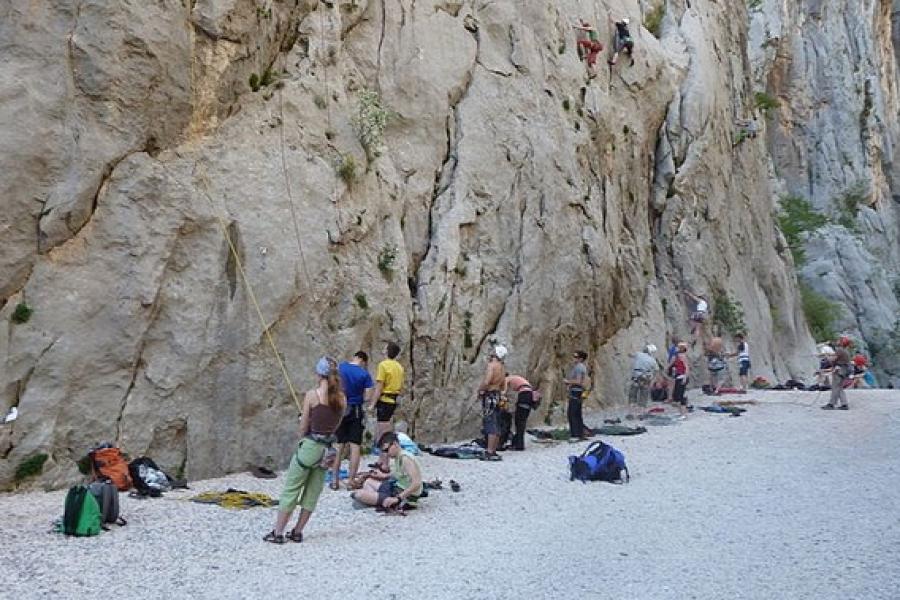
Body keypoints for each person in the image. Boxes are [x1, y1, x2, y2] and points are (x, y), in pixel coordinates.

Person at [264, 356, 345, 544]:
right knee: (313, 492)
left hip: (309, 448)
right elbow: (336, 426)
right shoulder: (342, 399)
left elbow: (303, 428)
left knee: (292, 489)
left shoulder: (312, 395)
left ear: (319, 374)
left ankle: (278, 533)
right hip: (327, 451)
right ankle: (298, 531)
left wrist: (303, 425)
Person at [332, 351, 374, 490]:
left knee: (339, 445)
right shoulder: (364, 375)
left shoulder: (341, 367)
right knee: (355, 446)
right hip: (355, 410)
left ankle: (334, 481)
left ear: (354, 357)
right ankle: (351, 480)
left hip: (341, 409)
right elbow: (368, 396)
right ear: (362, 360)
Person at [351, 432, 424, 511]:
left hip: (404, 496)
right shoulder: (399, 457)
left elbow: (417, 483)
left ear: (395, 444)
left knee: (358, 494)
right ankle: (377, 500)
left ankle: (379, 500)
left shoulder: (405, 458)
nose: (386, 454)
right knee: (368, 482)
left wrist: (398, 498)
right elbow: (401, 475)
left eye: (386, 450)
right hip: (396, 488)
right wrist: (383, 475)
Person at [372, 341, 405, 462]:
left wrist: (372, 404)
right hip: (393, 400)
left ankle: (383, 462)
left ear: (387, 351)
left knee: (383, 433)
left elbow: (379, 386)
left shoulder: (383, 365)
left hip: (384, 400)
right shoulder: (399, 367)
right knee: (387, 430)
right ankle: (384, 460)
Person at [477, 345, 507, 461]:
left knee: (490, 421)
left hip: (490, 395)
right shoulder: (502, 367)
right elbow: (504, 384)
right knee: (496, 421)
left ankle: (489, 451)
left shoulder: (492, 366)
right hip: (498, 395)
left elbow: (487, 380)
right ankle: (494, 450)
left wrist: (480, 390)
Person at [505, 373, 537, 451]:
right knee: (522, 421)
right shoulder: (517, 379)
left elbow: (503, 391)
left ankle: (518, 445)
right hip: (530, 396)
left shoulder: (507, 379)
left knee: (519, 421)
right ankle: (518, 443)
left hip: (524, 396)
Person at [564, 351, 589, 439]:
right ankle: (580, 433)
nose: (573, 358)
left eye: (575, 356)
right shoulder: (581, 367)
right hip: (579, 391)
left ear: (581, 359)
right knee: (577, 413)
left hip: (576, 391)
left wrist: (567, 382)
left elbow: (578, 381)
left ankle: (575, 434)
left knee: (572, 413)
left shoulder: (578, 367)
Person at [822, 341, 852, 410]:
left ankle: (831, 404)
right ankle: (844, 404)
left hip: (839, 371)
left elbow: (833, 359)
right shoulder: (845, 351)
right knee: (839, 388)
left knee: (835, 387)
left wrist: (826, 356)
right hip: (844, 371)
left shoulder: (840, 350)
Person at [629, 344, 659, 409]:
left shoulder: (638, 354)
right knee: (644, 394)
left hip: (636, 376)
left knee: (633, 393)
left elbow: (630, 354)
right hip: (646, 377)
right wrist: (653, 381)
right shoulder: (653, 360)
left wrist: (631, 348)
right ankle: (641, 409)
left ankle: (632, 409)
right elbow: (656, 370)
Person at [671, 342, 690, 416]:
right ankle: (682, 412)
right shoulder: (678, 356)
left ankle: (684, 414)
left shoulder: (682, 356)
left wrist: (685, 377)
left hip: (682, 377)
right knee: (677, 396)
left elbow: (687, 367)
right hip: (679, 376)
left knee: (680, 396)